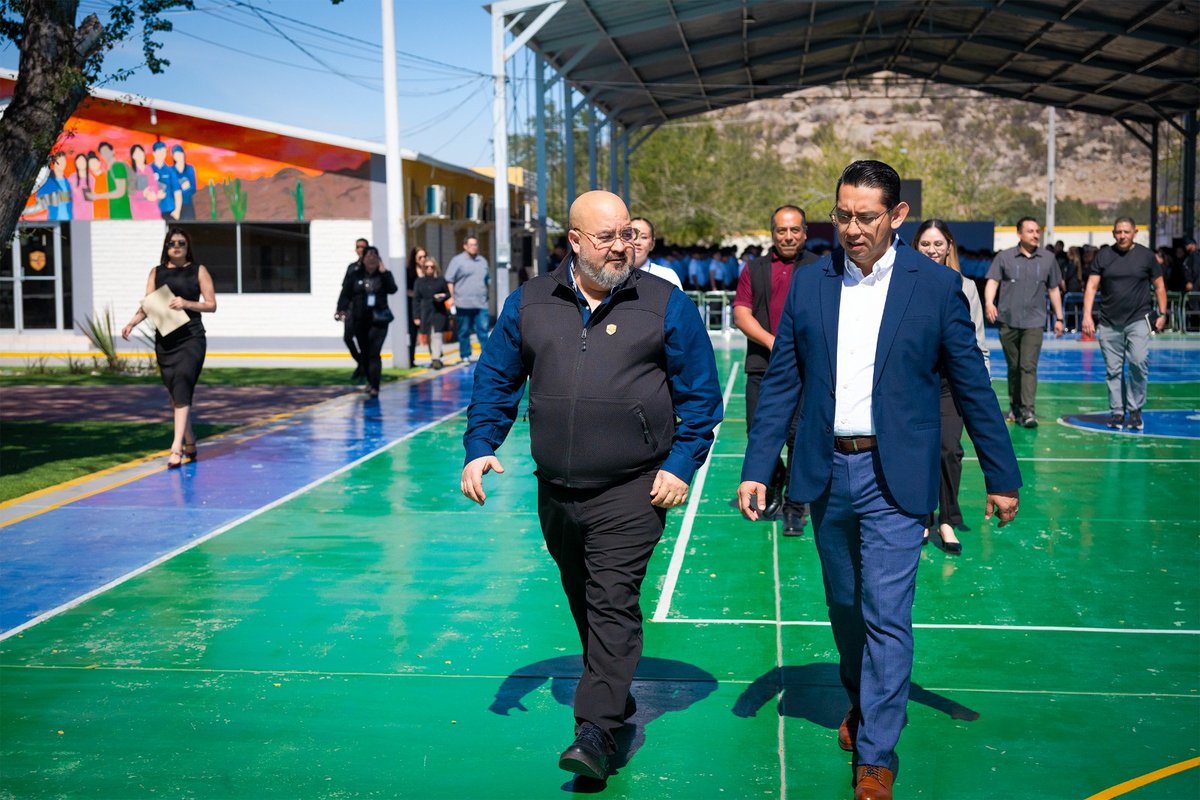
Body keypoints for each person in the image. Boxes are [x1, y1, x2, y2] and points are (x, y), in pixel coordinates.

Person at [737, 161, 1020, 800]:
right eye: (843, 215)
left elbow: (973, 386)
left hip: (895, 477)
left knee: (887, 612)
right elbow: (783, 381)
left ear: (896, 217)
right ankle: (862, 699)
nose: (853, 228)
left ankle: (876, 755)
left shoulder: (936, 287)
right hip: (824, 471)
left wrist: (1001, 476)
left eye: (867, 217)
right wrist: (758, 469)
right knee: (845, 608)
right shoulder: (811, 285)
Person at [460, 190, 722, 784]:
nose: (620, 246)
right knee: (584, 598)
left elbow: (702, 397)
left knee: (612, 601)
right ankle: (615, 692)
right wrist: (481, 447)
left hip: (633, 488)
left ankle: (596, 730)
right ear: (574, 241)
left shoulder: (664, 305)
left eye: (627, 234)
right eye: (606, 236)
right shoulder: (530, 302)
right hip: (555, 489)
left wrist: (681, 464)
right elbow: (497, 378)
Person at [733, 205, 821, 536]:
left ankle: (795, 508)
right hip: (763, 364)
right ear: (772, 233)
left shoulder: (819, 268)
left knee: (799, 436)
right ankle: (776, 474)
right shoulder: (753, 269)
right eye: (781, 230)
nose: (788, 236)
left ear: (804, 233)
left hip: (807, 369)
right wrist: (773, 342)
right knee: (758, 429)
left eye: (794, 230)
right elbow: (742, 313)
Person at [914, 219, 991, 555]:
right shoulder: (903, 285)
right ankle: (921, 517)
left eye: (938, 244)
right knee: (918, 453)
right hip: (914, 382)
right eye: (925, 244)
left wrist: (980, 388)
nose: (932, 250)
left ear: (949, 247)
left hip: (950, 383)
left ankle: (947, 519)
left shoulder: (966, 287)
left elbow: (978, 344)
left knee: (949, 450)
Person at [121, 227, 217, 467]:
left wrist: (187, 303)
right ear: (166, 246)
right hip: (166, 340)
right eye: (172, 243)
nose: (176, 246)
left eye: (181, 243)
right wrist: (132, 322)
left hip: (191, 338)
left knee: (183, 380)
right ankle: (190, 439)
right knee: (175, 392)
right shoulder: (156, 272)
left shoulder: (198, 270)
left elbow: (212, 305)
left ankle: (176, 448)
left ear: (187, 247)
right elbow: (148, 304)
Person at [1081, 218, 1168, 431]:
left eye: (1126, 232)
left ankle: (1136, 409)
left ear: (1135, 233)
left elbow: (1159, 287)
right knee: (1113, 369)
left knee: (1139, 362)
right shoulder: (1104, 256)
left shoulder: (1146, 256)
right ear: (1113, 233)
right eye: (1118, 232)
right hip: (1109, 322)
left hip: (1138, 319)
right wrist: (1086, 316)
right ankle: (1118, 411)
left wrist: (1163, 313)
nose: (1122, 236)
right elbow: (1091, 287)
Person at [983, 217, 1064, 428]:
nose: (1035, 235)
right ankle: (1015, 406)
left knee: (1028, 366)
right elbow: (993, 281)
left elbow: (1054, 288)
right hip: (1007, 321)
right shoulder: (1005, 257)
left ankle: (1028, 410)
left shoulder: (1048, 259)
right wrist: (989, 303)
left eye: (1037, 231)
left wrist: (1060, 317)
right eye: (1030, 231)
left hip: (1034, 322)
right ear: (1019, 234)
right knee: (1014, 366)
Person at [337, 245, 397, 398]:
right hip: (360, 319)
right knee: (365, 353)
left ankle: (375, 386)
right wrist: (341, 309)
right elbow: (345, 294)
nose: (371, 258)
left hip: (379, 320)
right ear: (363, 259)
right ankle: (370, 382)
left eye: (374, 255)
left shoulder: (383, 275)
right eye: (368, 255)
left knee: (374, 353)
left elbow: (393, 289)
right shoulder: (355, 275)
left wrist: (384, 273)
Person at [444, 236, 490, 363]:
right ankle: (465, 355)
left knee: (483, 332)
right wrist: (452, 297)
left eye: (475, 244)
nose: (474, 247)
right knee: (464, 331)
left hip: (481, 303)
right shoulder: (457, 261)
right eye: (471, 245)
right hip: (463, 303)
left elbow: (487, 280)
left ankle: (487, 357)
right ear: (465, 246)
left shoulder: (483, 261)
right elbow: (450, 280)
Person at [335, 239, 368, 383]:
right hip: (351, 309)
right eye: (358, 247)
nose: (360, 249)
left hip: (365, 310)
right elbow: (345, 290)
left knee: (363, 340)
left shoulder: (371, 267)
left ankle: (364, 369)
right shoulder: (351, 268)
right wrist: (340, 308)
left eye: (362, 247)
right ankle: (361, 363)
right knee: (347, 337)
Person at [413, 255, 450, 369]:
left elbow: (448, 293)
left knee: (437, 334)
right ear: (424, 268)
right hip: (425, 311)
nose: (429, 269)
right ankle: (435, 354)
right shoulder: (419, 282)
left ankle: (436, 358)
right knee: (428, 335)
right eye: (427, 267)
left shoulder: (440, 280)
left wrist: (442, 296)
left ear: (435, 268)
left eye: (432, 267)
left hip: (438, 310)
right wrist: (416, 316)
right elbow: (416, 299)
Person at [629, 216, 683, 288]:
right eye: (631, 236)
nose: (637, 242)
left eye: (644, 237)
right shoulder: (613, 275)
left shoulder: (667, 276)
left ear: (652, 244)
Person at [96, 141, 131, 220]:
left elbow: (120, 192)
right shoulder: (109, 170)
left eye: (106, 151)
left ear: (113, 151)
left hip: (122, 212)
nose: (104, 154)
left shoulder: (117, 166)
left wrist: (97, 196)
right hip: (115, 212)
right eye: (102, 153)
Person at [150, 141, 183, 221]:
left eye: (164, 151)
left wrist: (177, 210)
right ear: (153, 153)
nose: (162, 154)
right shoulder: (148, 170)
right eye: (159, 151)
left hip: (169, 211)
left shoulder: (170, 171)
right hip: (152, 211)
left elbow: (177, 191)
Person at [127, 144, 162, 220]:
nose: (140, 155)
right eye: (137, 153)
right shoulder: (131, 172)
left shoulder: (149, 169)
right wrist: (143, 193)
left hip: (153, 210)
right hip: (139, 211)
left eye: (141, 152)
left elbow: (154, 185)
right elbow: (131, 193)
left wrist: (153, 192)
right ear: (133, 156)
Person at [171, 145, 197, 220]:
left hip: (188, 205)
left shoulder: (190, 169)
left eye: (180, 153)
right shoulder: (171, 170)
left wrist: (179, 190)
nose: (179, 156)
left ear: (183, 154)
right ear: (173, 157)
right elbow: (171, 191)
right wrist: (184, 188)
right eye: (176, 154)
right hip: (175, 207)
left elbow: (193, 189)